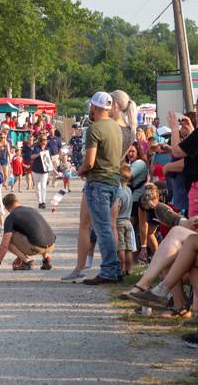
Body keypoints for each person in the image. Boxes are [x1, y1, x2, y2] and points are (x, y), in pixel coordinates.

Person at [79, 91, 123, 285]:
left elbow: (89, 162)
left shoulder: (94, 129)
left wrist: (81, 170)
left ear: (94, 107)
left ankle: (108, 271)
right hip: (114, 181)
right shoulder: (116, 127)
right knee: (108, 227)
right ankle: (116, 267)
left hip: (98, 181)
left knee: (102, 228)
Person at [0, 194, 56, 271]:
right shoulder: (32, 210)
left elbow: (4, 245)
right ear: (17, 201)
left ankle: (26, 261)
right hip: (51, 245)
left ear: (6, 208)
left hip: (36, 247)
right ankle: (46, 259)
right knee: (37, 232)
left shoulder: (11, 217)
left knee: (7, 240)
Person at [114, 164, 134, 277]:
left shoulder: (119, 192)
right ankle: (129, 269)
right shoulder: (129, 191)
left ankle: (121, 268)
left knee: (120, 247)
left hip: (119, 221)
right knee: (129, 247)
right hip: (128, 221)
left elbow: (118, 207)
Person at [30, 134, 50, 209]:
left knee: (43, 186)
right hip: (36, 170)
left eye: (46, 139)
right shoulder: (36, 148)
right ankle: (40, 202)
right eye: (44, 139)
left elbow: (49, 160)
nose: (45, 141)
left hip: (44, 171)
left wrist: (53, 171)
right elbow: (32, 157)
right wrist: (39, 154)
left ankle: (43, 202)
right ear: (41, 141)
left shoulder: (48, 149)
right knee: (37, 187)